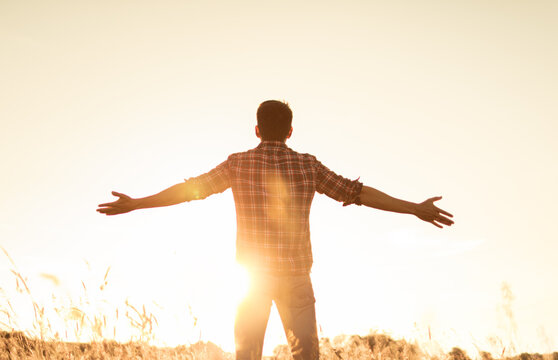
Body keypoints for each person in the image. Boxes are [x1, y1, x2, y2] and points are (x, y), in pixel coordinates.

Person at [97, 100, 454, 360]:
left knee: (247, 356)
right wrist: (414, 208)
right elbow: (357, 193)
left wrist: (138, 202)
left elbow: (190, 190)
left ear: (256, 129)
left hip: (251, 280)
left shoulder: (238, 164)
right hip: (296, 278)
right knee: (306, 357)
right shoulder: (307, 165)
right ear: (290, 131)